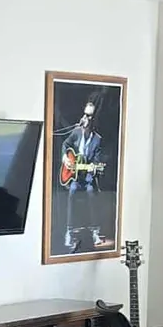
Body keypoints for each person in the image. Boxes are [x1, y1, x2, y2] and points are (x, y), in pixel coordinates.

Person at [61, 101, 105, 252]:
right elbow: (65, 145)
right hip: (75, 177)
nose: (86, 118)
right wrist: (65, 158)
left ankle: (95, 231)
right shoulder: (76, 132)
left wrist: (93, 167)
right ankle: (69, 231)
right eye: (85, 115)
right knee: (72, 192)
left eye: (90, 116)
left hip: (87, 178)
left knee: (91, 193)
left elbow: (96, 161)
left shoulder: (97, 139)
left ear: (94, 119)